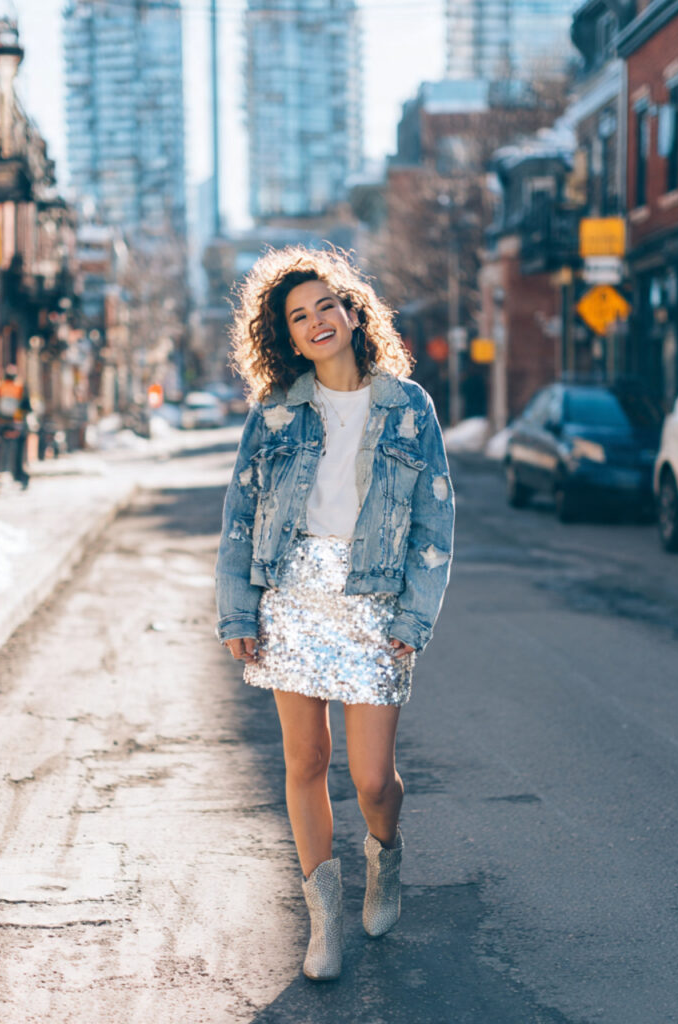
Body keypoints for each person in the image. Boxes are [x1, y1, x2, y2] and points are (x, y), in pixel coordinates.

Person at [215, 247, 454, 980]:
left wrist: (415, 619)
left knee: (374, 778)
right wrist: (239, 613)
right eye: (298, 316)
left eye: (328, 306)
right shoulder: (277, 412)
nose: (317, 321)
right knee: (306, 760)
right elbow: (240, 514)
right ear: (286, 338)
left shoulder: (408, 406)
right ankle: (322, 924)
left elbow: (435, 524)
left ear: (354, 314)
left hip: (375, 597)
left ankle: (385, 856)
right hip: (291, 594)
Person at [0, 364, 31, 489]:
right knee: (19, 453)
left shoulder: (1, 387)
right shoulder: (20, 388)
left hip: (3, 424)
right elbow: (27, 407)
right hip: (17, 424)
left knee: (2, 449)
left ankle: (0, 473)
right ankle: (19, 476)